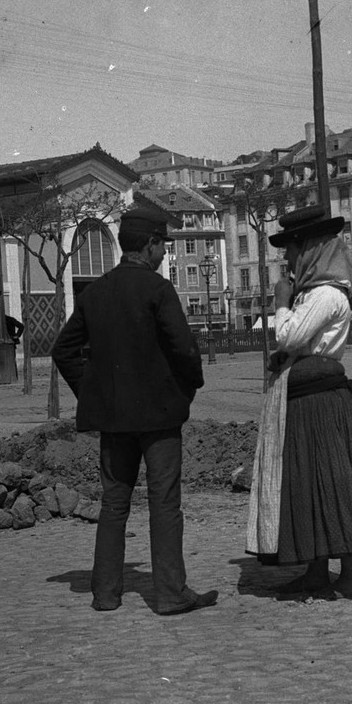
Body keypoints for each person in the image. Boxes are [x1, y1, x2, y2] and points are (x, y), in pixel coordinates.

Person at [51, 206, 216, 616]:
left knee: (113, 504)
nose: (164, 253)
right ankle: (170, 594)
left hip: (113, 421)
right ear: (151, 245)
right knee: (164, 503)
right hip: (159, 419)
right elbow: (184, 350)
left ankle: (105, 594)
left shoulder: (96, 292)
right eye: (162, 244)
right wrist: (187, 389)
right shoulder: (159, 290)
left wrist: (90, 393)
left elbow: (62, 350)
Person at [246, 207, 352, 600]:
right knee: (307, 483)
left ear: (311, 250)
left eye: (294, 250)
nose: (289, 260)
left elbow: (291, 338)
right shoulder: (314, 293)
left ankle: (350, 574)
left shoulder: (328, 294)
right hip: (305, 401)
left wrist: (280, 303)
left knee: (335, 483)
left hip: (322, 405)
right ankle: (316, 568)